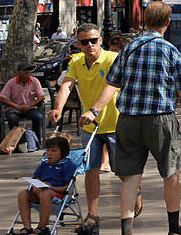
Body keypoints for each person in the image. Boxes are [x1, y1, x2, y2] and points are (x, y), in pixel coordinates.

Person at [80, 1, 181, 235]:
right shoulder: (170, 50)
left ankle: (127, 229)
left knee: (131, 176)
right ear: (167, 23)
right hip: (160, 120)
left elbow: (112, 83)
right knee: (170, 172)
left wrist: (94, 110)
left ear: (144, 21)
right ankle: (173, 229)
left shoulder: (128, 49)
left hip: (128, 120)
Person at [49, 22, 136, 233]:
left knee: (121, 170)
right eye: (85, 42)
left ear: (100, 41)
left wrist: (94, 110)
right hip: (90, 127)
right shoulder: (77, 62)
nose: (90, 45)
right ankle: (93, 214)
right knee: (91, 170)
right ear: (78, 44)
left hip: (114, 123)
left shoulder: (112, 59)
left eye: (94, 40)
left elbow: (111, 86)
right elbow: (67, 85)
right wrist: (57, 108)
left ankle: (136, 190)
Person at [17, 134, 77, 235]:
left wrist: (51, 187)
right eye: (48, 151)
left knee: (46, 193)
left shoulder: (67, 165)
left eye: (54, 151)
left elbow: (66, 188)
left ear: (63, 153)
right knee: (22, 194)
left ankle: (42, 226)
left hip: (56, 194)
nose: (49, 154)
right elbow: (37, 178)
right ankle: (27, 227)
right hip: (40, 191)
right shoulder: (44, 164)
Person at [0, 63, 45, 144]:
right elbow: (2, 98)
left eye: (29, 70)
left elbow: (41, 96)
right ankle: (18, 141)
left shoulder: (34, 81)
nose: (27, 72)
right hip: (15, 109)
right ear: (18, 72)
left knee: (38, 117)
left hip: (29, 108)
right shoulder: (11, 82)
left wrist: (29, 105)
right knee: (12, 118)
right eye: (24, 70)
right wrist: (16, 106)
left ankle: (36, 140)